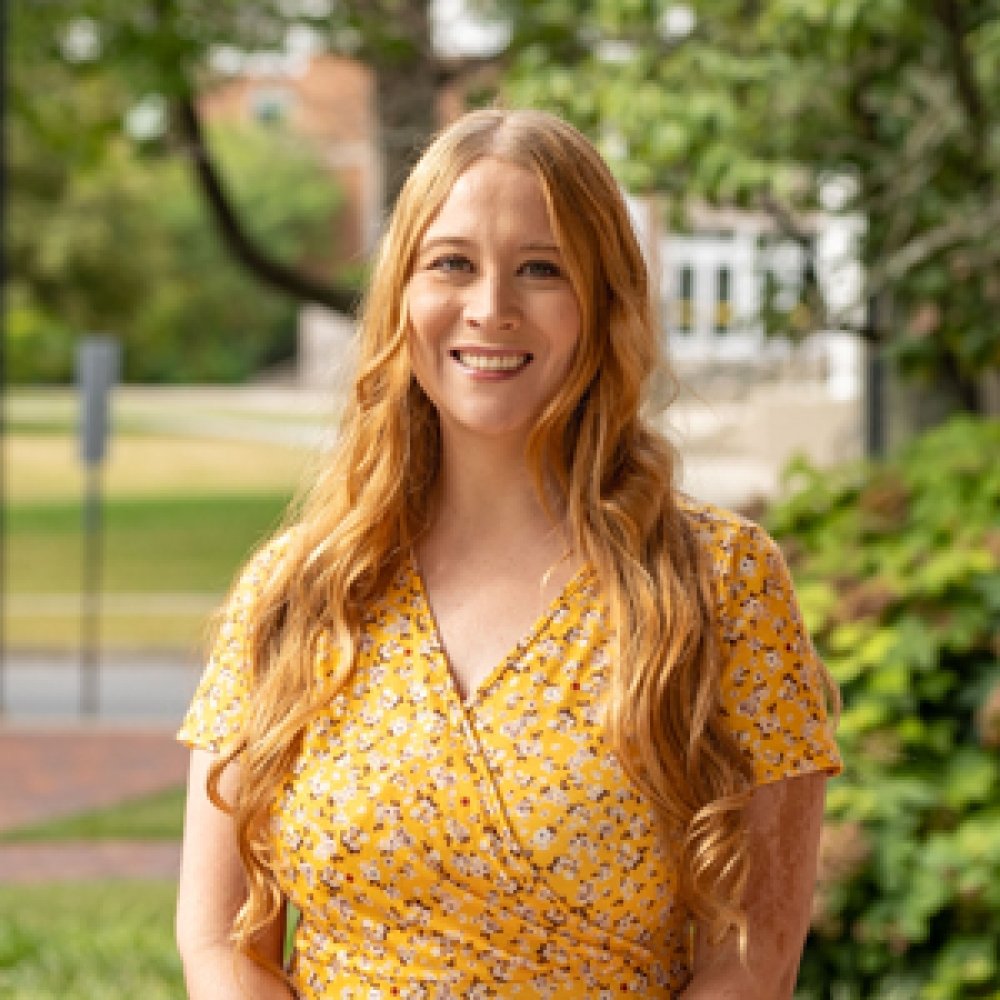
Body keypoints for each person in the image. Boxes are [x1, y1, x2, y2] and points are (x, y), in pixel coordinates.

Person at [175, 108, 841, 999]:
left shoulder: (719, 584)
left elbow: (756, 959)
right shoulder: (294, 590)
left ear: (604, 303)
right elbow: (219, 943)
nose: (491, 308)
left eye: (541, 269)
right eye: (452, 263)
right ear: (401, 297)